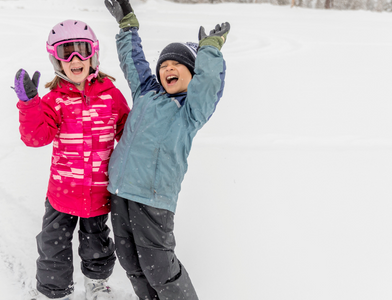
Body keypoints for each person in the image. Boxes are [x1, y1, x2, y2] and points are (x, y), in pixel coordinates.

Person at [104, 1, 230, 299]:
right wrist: (128, 27)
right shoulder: (146, 92)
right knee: (131, 262)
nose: (168, 68)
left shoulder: (190, 109)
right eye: (164, 65)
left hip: (153, 198)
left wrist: (209, 51)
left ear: (193, 75)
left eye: (178, 65)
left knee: (159, 267)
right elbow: (133, 62)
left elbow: (209, 84)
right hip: (120, 192)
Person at [12, 19, 130, 300]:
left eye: (81, 50)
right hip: (62, 193)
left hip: (100, 192)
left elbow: (128, 136)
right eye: (67, 53)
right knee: (54, 246)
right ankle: (55, 292)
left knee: (97, 244)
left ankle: (97, 286)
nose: (75, 59)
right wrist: (30, 105)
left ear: (94, 55)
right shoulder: (54, 100)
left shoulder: (111, 97)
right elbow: (35, 138)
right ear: (56, 60)